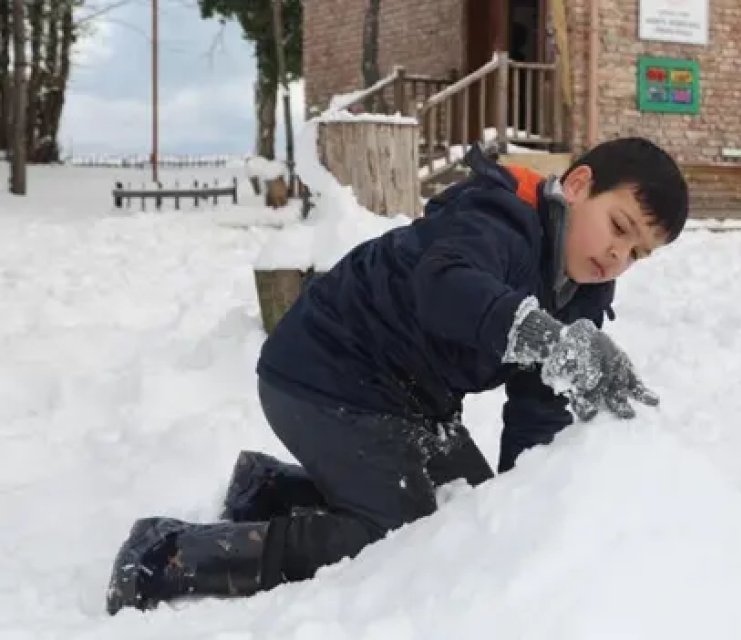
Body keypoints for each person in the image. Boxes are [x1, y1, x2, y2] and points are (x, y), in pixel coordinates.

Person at [104, 137, 690, 615]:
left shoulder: (581, 294)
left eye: (638, 253)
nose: (619, 255)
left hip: (409, 405)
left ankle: (269, 490)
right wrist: (551, 341)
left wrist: (528, 508)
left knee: (470, 513)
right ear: (580, 185)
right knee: (405, 538)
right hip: (324, 374)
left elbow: (537, 406)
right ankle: (172, 555)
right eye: (618, 226)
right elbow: (447, 288)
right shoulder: (498, 217)